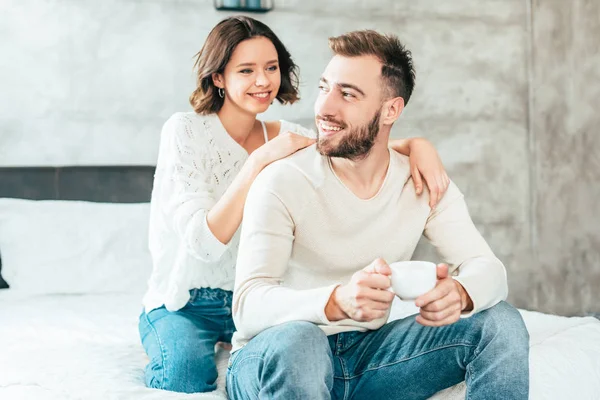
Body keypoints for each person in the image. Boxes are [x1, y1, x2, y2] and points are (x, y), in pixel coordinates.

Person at [138, 17, 450, 394]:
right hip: (186, 304)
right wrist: (257, 162)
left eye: (271, 68)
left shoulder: (291, 136)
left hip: (256, 303)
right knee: (183, 377)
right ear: (218, 77)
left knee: (298, 353)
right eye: (246, 70)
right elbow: (204, 244)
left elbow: (358, 145)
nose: (263, 81)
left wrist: (418, 146)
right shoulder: (184, 130)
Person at [227, 30, 530, 400]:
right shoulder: (283, 178)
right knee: (300, 340)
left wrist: (461, 292)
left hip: (369, 357)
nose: (324, 107)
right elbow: (247, 306)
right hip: (274, 353)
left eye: (348, 94)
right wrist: (336, 301)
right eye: (324, 87)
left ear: (391, 110)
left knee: (500, 323)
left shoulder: (421, 180)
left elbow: (490, 269)